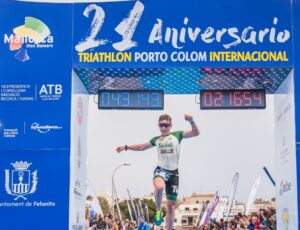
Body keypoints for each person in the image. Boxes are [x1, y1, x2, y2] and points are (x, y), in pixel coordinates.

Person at [116, 114, 199, 230]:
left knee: (171, 207)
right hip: (161, 170)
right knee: (159, 187)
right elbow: (141, 147)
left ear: (171, 126)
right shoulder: (157, 140)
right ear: (158, 126)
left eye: (166, 125)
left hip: (174, 174)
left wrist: (191, 121)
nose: (163, 128)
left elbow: (196, 133)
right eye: (161, 125)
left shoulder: (177, 135)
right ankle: (158, 211)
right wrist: (126, 147)